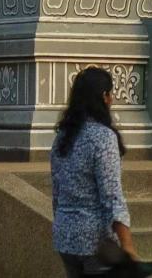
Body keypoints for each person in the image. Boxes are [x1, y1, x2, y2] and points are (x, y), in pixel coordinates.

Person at [51, 65, 144, 276]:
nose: (112, 99)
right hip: (95, 241)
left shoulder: (62, 138)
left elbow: (56, 192)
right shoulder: (103, 137)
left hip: (65, 237)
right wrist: (126, 243)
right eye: (111, 94)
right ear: (104, 96)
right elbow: (111, 195)